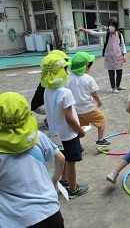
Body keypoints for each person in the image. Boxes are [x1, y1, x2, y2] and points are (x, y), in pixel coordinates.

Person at [0, 92, 65, 227]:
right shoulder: (38, 137)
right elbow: (60, 158)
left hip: (16, 219)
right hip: (51, 210)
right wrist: (54, 179)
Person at [41, 53, 90, 198]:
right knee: (71, 161)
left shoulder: (47, 90)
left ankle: (64, 181)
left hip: (55, 133)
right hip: (68, 134)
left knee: (62, 157)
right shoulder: (65, 93)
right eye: (64, 69)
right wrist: (80, 130)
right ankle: (73, 189)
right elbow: (69, 118)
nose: (67, 71)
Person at [66, 51, 111, 146]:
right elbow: (94, 94)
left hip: (75, 110)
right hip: (88, 108)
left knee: (78, 126)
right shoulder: (88, 78)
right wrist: (98, 102)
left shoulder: (68, 78)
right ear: (86, 66)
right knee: (102, 120)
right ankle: (100, 140)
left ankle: (77, 145)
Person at [77, 18, 127, 94]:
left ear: (116, 26)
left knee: (119, 72)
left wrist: (124, 55)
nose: (111, 27)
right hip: (109, 57)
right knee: (111, 73)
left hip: (118, 56)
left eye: (112, 25)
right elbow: (94, 33)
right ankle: (113, 87)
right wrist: (83, 30)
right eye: (109, 25)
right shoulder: (106, 34)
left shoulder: (119, 35)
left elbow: (123, 45)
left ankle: (118, 86)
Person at [31, 50, 71, 130]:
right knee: (64, 103)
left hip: (45, 103)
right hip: (40, 106)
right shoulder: (52, 80)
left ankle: (51, 119)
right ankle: (49, 121)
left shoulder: (48, 76)